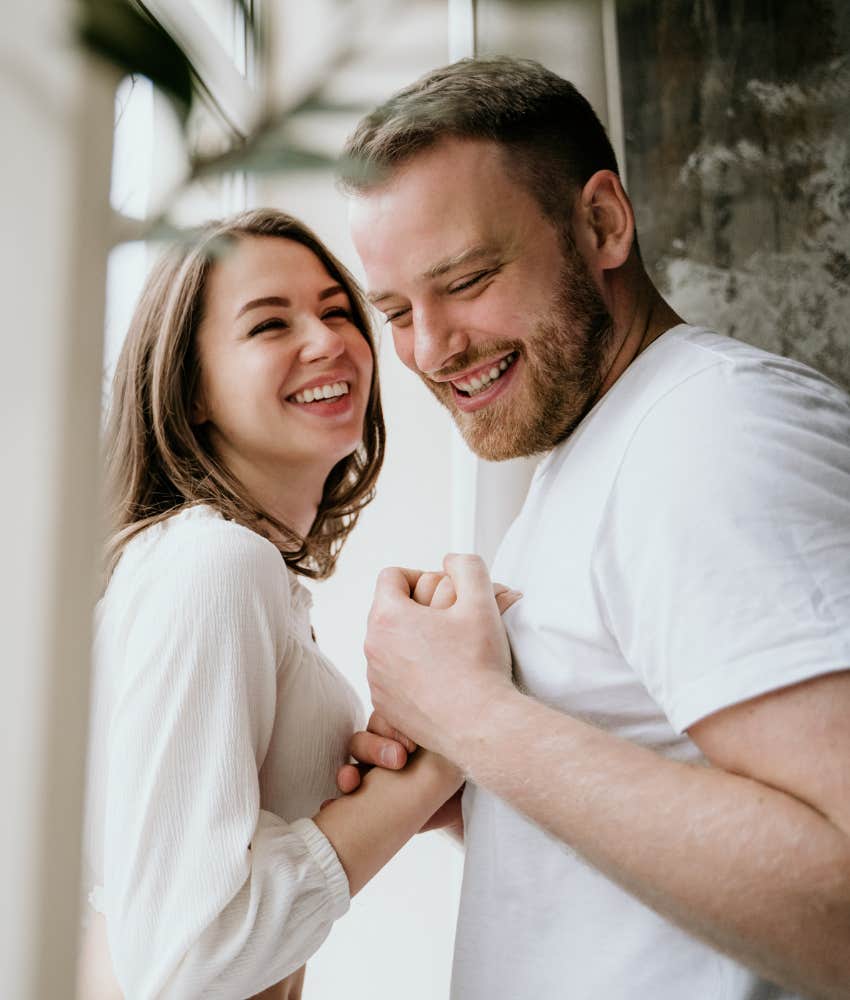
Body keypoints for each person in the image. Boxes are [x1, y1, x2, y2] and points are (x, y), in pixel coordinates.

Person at [335, 57, 850, 1000]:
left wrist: (476, 717)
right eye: (398, 311)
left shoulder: (711, 435)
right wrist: (465, 782)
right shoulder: (603, 445)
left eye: (468, 279)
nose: (431, 349)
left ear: (602, 223)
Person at [76, 209, 488, 999]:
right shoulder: (215, 563)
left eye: (340, 310)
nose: (330, 340)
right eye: (270, 324)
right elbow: (186, 964)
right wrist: (435, 758)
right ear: (189, 388)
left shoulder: (207, 565)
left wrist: (403, 765)